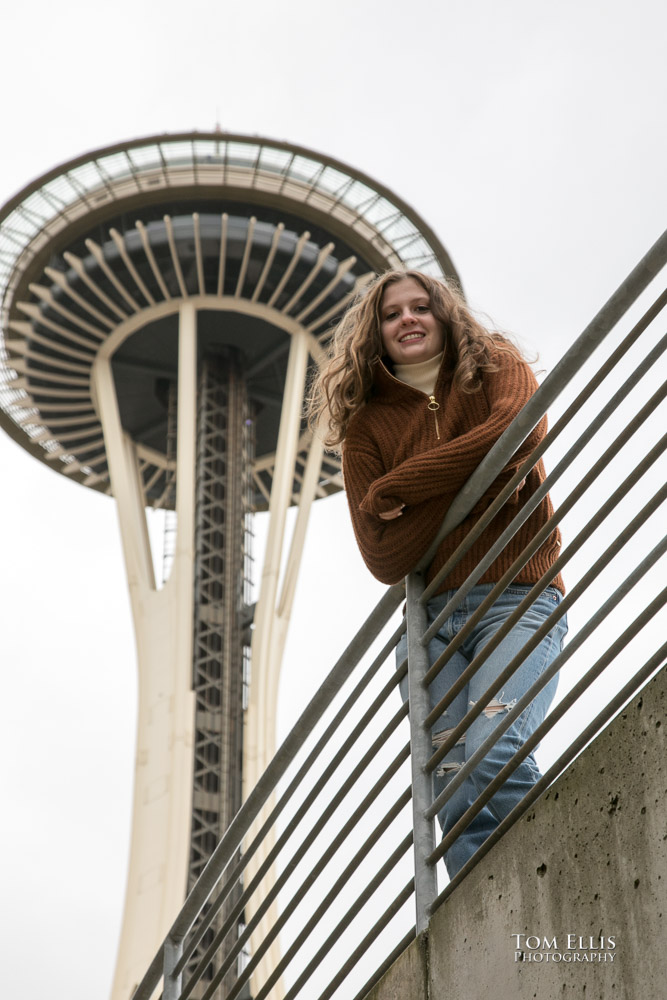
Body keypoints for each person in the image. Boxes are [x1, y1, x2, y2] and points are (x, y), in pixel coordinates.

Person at [308, 269, 567, 878]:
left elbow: (517, 441)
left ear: (444, 314)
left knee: (493, 752)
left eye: (420, 306)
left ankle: (549, 885)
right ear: (375, 332)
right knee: (451, 787)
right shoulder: (367, 428)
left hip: (518, 595)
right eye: (392, 313)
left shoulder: (495, 365)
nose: (408, 319)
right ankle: (486, 921)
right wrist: (477, 484)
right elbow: (385, 559)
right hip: (430, 626)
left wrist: (401, 489)